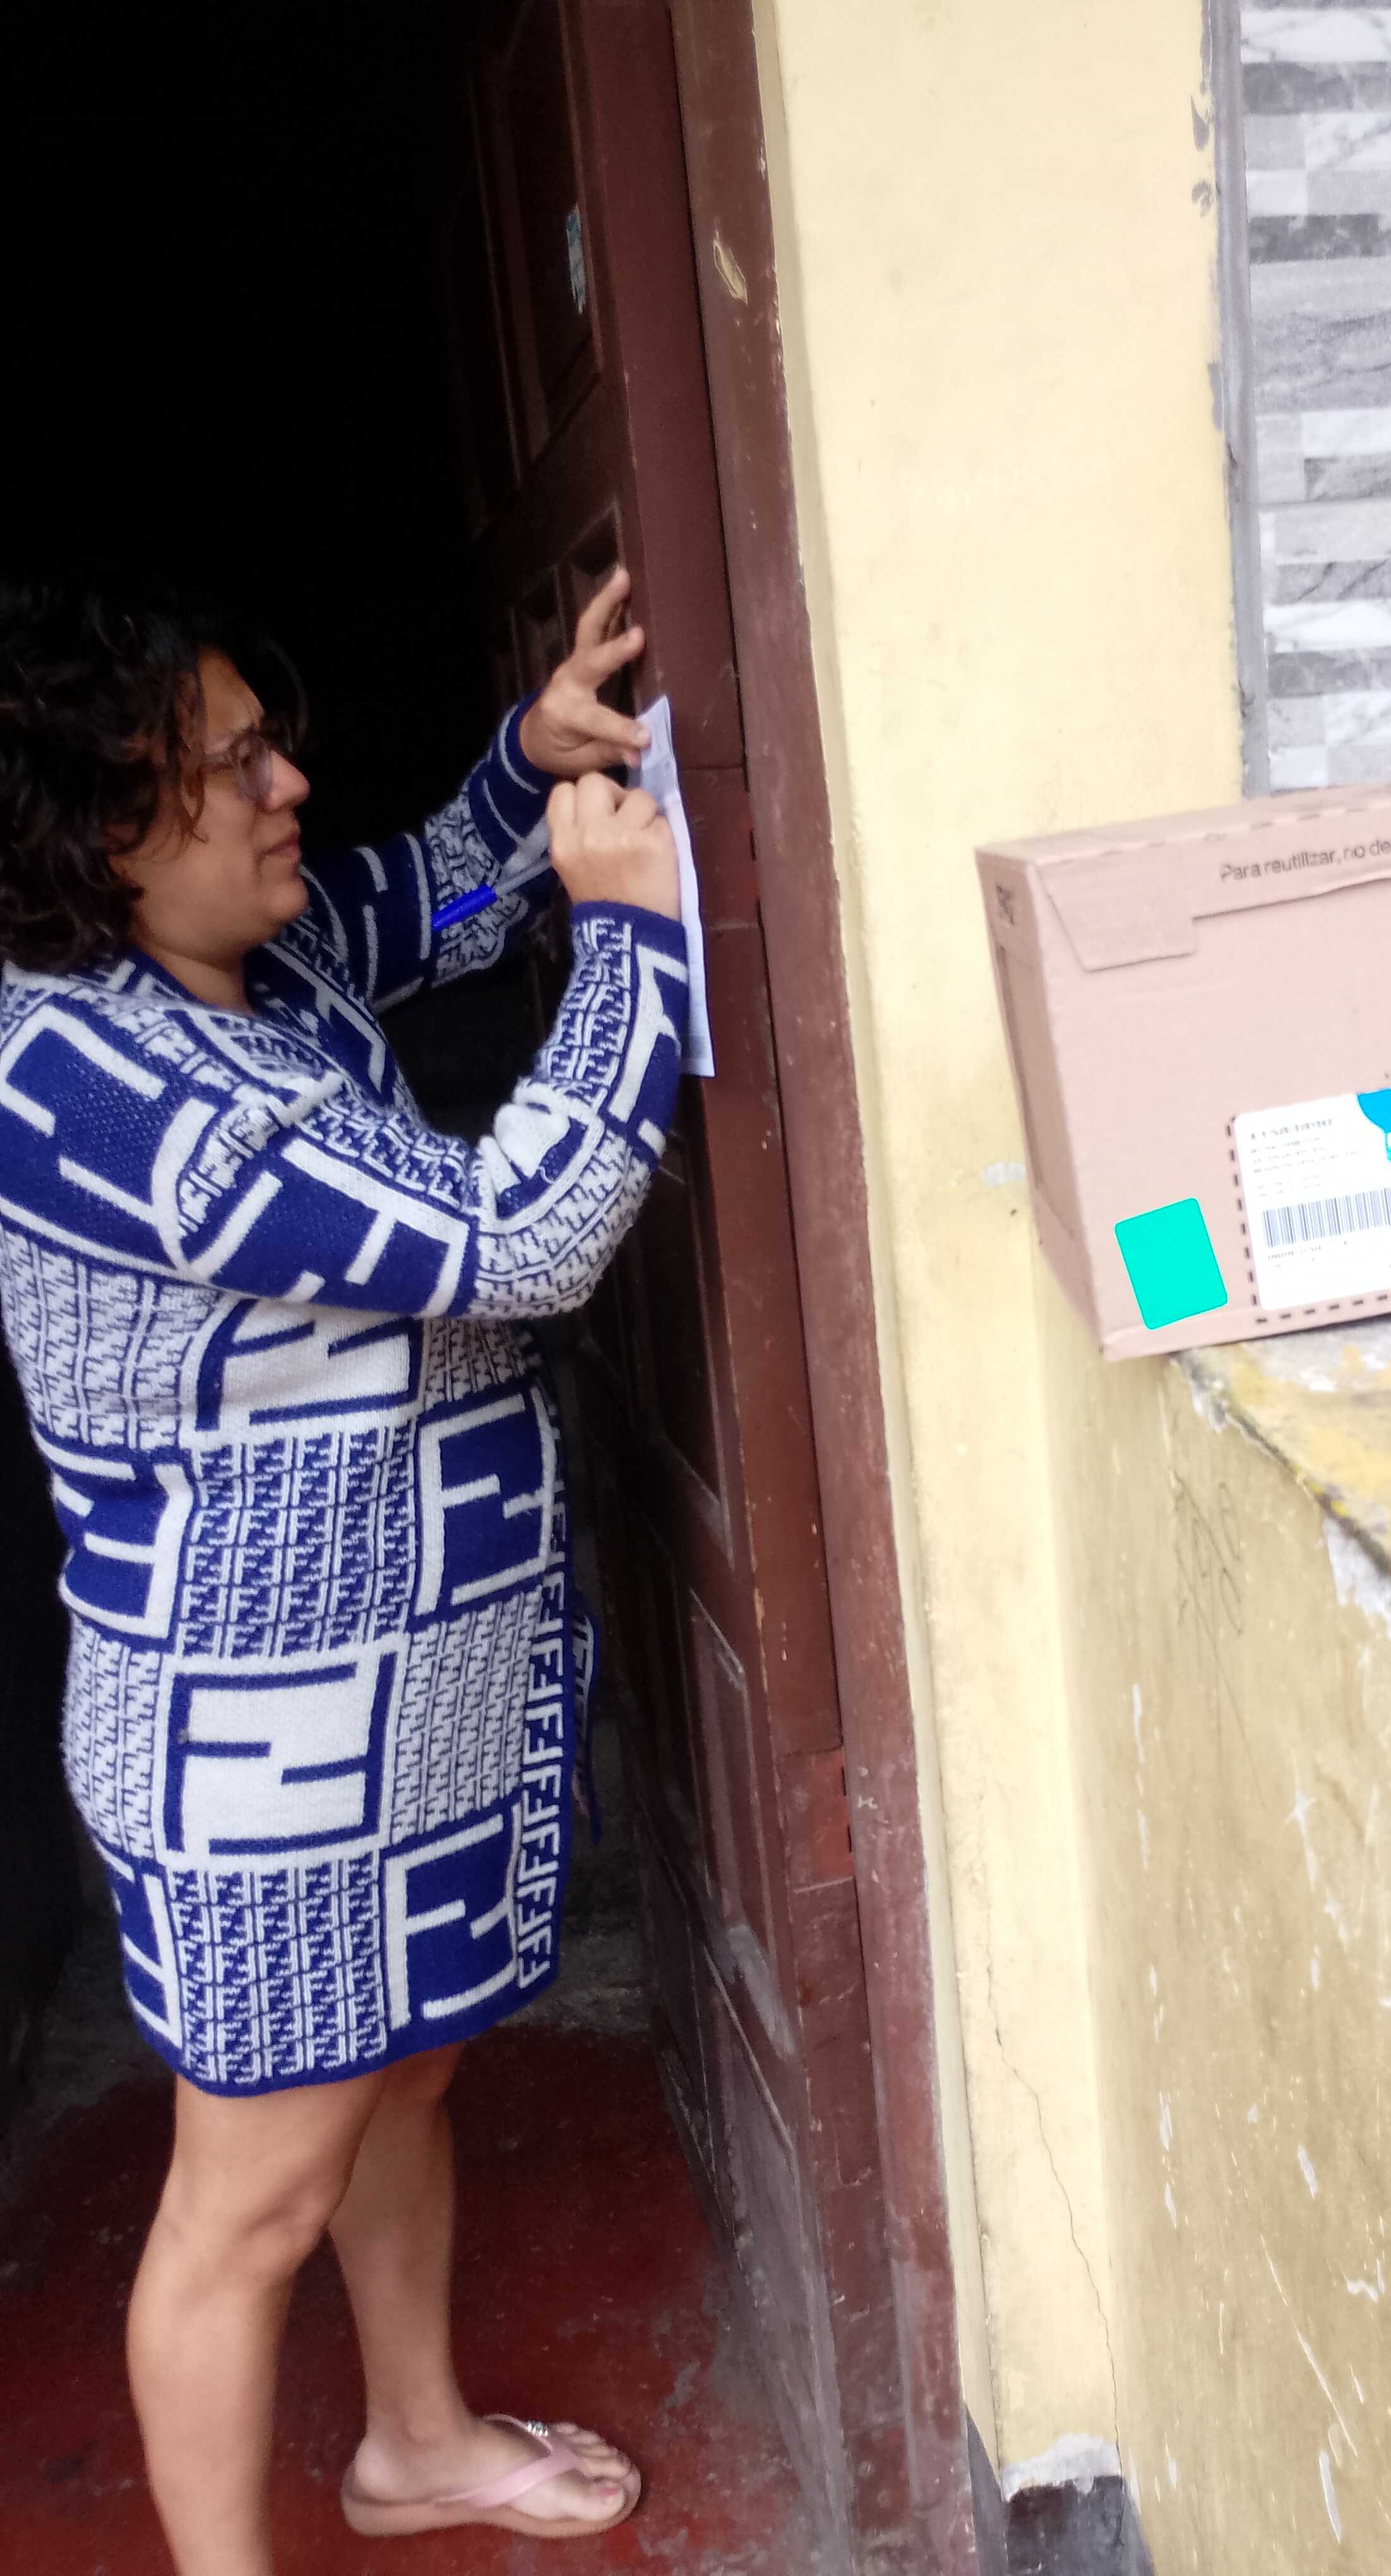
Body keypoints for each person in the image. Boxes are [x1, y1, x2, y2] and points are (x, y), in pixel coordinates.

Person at [0, 567, 686, 2570]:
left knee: (397, 2086)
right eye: (232, 767)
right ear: (97, 830)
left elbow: (406, 900)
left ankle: (415, 2445)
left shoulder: (238, 962)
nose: (289, 784)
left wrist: (527, 764)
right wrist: (633, 944)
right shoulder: (82, 1083)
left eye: (268, 743)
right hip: (263, 1750)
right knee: (249, 2208)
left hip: (409, 1704)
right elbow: (514, 1240)